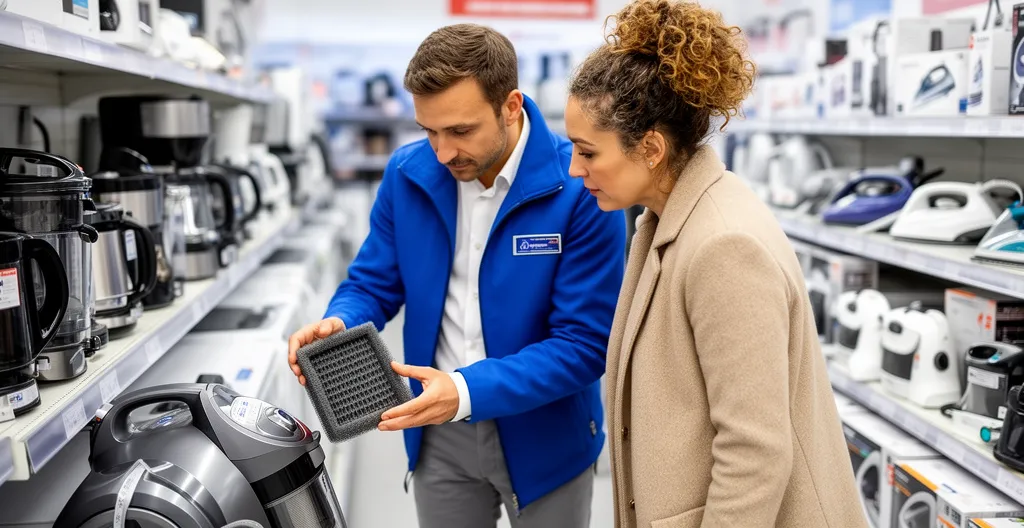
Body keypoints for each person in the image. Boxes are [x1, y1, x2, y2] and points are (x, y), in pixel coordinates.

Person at [287, 23, 625, 528]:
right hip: (438, 433)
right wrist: (341, 320)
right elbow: (373, 281)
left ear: (511, 106)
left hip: (547, 432)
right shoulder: (408, 174)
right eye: (429, 130)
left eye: (461, 131)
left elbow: (583, 345)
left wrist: (465, 390)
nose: (443, 152)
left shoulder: (581, 188)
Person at [563, 1, 869, 527]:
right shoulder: (666, 220)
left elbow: (754, 454)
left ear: (652, 148)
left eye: (587, 152)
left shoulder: (724, 247)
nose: (575, 169)